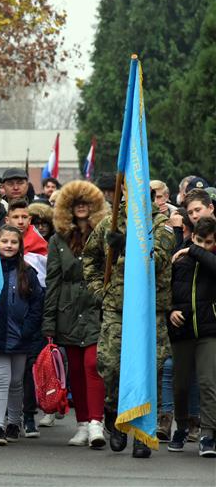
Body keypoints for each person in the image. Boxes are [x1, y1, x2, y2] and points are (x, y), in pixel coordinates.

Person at [82, 192, 175, 458]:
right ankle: (116, 414)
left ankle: (142, 434)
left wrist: (127, 245)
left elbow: (157, 258)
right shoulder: (110, 222)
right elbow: (90, 257)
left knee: (151, 371)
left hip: (150, 309)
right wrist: (101, 290)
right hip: (117, 307)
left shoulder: (161, 223)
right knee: (110, 366)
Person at [42, 180, 109, 448]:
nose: (81, 206)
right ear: (67, 208)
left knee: (93, 366)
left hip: (96, 308)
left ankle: (96, 423)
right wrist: (48, 322)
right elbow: (53, 282)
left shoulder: (104, 234)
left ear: (93, 206)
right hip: (67, 311)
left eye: (86, 202)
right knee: (77, 372)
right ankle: (81, 424)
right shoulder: (57, 240)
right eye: (75, 202)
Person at [0, 226, 44, 446]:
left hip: (21, 336)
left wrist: (28, 329)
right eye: (4, 241)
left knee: (16, 382)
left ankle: (14, 422)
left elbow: (37, 303)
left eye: (13, 242)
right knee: (1, 380)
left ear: (20, 246)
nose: (9, 245)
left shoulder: (27, 272)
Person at [167, 216, 216, 457]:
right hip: (182, 329)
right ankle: (182, 426)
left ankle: (208, 433)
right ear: (192, 235)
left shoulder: (205, 257)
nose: (202, 246)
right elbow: (165, 287)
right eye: (199, 240)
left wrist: (195, 250)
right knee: (181, 385)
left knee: (208, 383)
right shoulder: (179, 257)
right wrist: (171, 310)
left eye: (208, 242)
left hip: (209, 330)